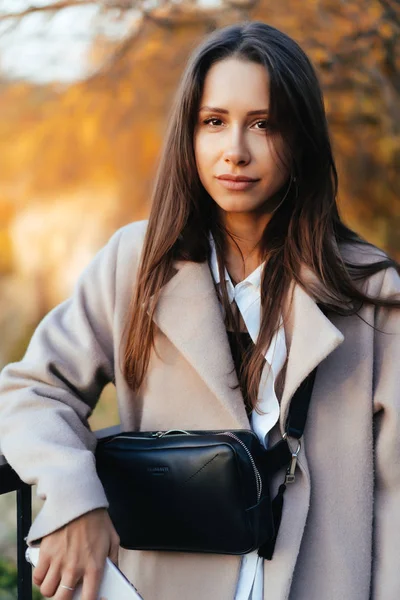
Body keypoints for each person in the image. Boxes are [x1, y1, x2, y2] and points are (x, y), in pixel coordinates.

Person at [0, 20, 399, 600]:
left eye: (264, 125)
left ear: (303, 137)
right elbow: (31, 391)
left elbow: (394, 489)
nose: (234, 151)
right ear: (188, 134)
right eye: (213, 122)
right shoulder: (135, 264)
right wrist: (72, 498)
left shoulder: (370, 289)